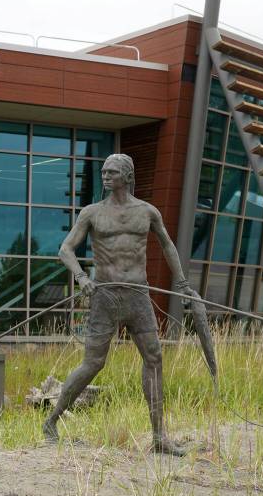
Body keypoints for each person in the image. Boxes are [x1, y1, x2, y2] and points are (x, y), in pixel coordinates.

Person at [43, 153, 198, 455]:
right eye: (103, 172)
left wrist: (181, 283)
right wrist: (81, 277)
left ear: (127, 176)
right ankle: (51, 421)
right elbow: (65, 249)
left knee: (154, 358)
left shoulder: (148, 212)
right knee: (93, 363)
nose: (105, 176)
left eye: (112, 172)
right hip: (106, 296)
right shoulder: (92, 213)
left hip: (138, 295)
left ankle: (159, 437)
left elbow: (167, 245)